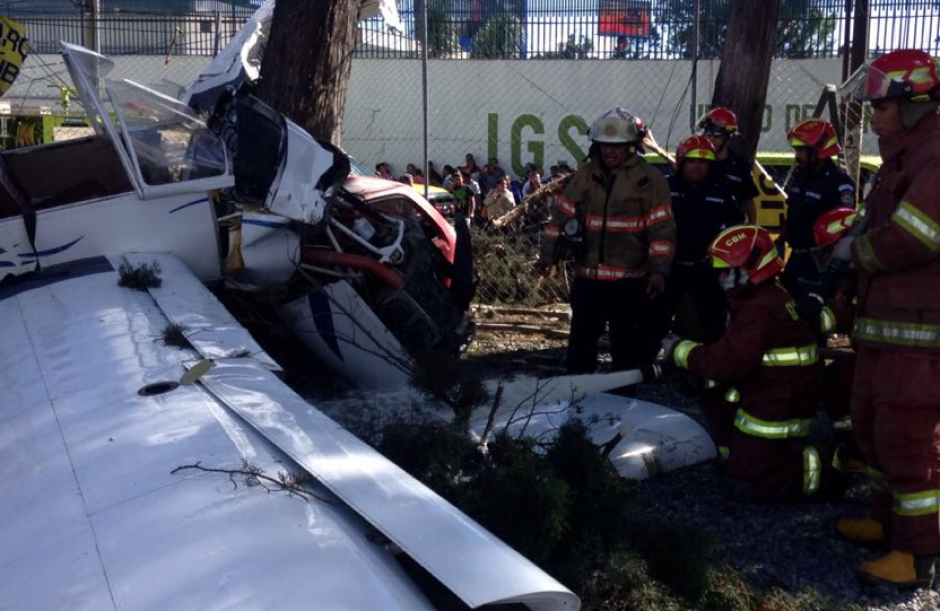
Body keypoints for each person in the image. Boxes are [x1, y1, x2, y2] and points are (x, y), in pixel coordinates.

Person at [833, 48, 940, 588]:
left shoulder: (936, 158)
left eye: (880, 107)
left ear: (914, 103)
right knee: (873, 431)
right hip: (883, 333)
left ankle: (916, 556)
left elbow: (917, 237)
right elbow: (880, 226)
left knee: (907, 441)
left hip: (918, 337)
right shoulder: (902, 159)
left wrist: (855, 253)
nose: (872, 117)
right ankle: (883, 523)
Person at [662, 225, 827, 502]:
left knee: (746, 486)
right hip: (772, 388)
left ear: (748, 269)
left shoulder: (759, 309)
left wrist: (678, 350)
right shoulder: (762, 296)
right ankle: (739, 454)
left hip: (779, 401)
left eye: (725, 269)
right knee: (711, 390)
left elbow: (727, 362)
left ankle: (820, 465)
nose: (720, 277)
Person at [536, 106, 675, 373]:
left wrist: (658, 271)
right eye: (605, 145)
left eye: (618, 145)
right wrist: (548, 255)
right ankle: (578, 404)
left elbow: (662, 230)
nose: (610, 151)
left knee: (626, 352)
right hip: (588, 279)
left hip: (630, 282)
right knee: (580, 350)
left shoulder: (650, 180)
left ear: (632, 145)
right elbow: (561, 217)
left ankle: (625, 405)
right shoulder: (585, 175)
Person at [651, 134, 742, 345]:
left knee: (715, 321)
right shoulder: (666, 188)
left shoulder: (722, 190)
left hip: (707, 268)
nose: (697, 167)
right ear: (681, 163)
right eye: (691, 161)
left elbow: (735, 226)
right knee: (655, 319)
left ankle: (715, 366)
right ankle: (644, 366)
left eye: (702, 162)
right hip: (670, 267)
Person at [778, 118, 856, 299]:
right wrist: (781, 240)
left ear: (818, 150)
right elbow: (793, 213)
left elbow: (844, 228)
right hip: (795, 258)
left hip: (819, 264)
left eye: (801, 150)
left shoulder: (839, 184)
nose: (797, 155)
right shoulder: (802, 175)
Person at [697, 107, 760, 224]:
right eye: (708, 135)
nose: (711, 140)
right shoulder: (698, 163)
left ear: (728, 137)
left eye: (716, 136)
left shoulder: (740, 166)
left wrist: (752, 227)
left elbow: (748, 200)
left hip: (730, 232)